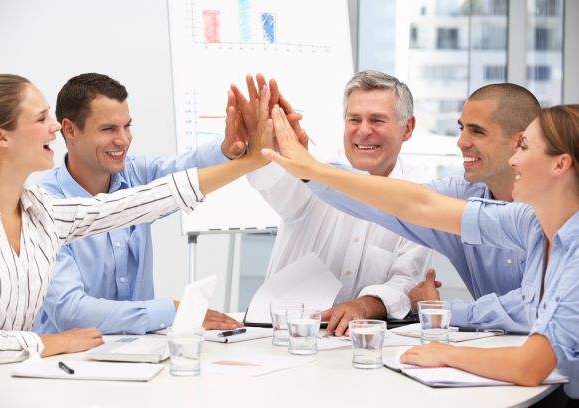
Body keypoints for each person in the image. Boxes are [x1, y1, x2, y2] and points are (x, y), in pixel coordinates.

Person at [264, 103, 579, 399]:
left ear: (561, 164)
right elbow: (419, 204)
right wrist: (313, 170)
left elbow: (529, 366)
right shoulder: (530, 222)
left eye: (524, 148)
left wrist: (444, 353)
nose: (514, 160)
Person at [0, 74, 272, 376]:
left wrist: (243, 158)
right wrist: (49, 342)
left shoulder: (41, 212)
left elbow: (142, 201)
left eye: (127, 126)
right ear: (1, 137)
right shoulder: (27, 208)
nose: (55, 126)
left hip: (26, 377)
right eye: (40, 118)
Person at [302, 84, 542, 332]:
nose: (461, 142)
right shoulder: (461, 196)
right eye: (462, 129)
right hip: (499, 354)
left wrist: (440, 310)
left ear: (520, 142)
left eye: (477, 132)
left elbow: (532, 310)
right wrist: (306, 167)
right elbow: (388, 201)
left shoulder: (558, 208)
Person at [33, 73, 244, 335]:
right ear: (70, 130)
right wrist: (172, 311)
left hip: (142, 352)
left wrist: (229, 148)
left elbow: (185, 169)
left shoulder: (136, 175)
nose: (123, 140)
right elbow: (70, 312)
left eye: (127, 126)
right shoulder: (42, 207)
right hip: (69, 363)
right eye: (109, 129)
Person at [236, 71, 433, 336]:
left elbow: (408, 279)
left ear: (407, 128)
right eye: (354, 119)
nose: (363, 131)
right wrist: (261, 148)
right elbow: (270, 181)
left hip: (360, 341)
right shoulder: (314, 166)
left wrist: (367, 304)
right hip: (284, 335)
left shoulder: (419, 190)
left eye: (377, 120)